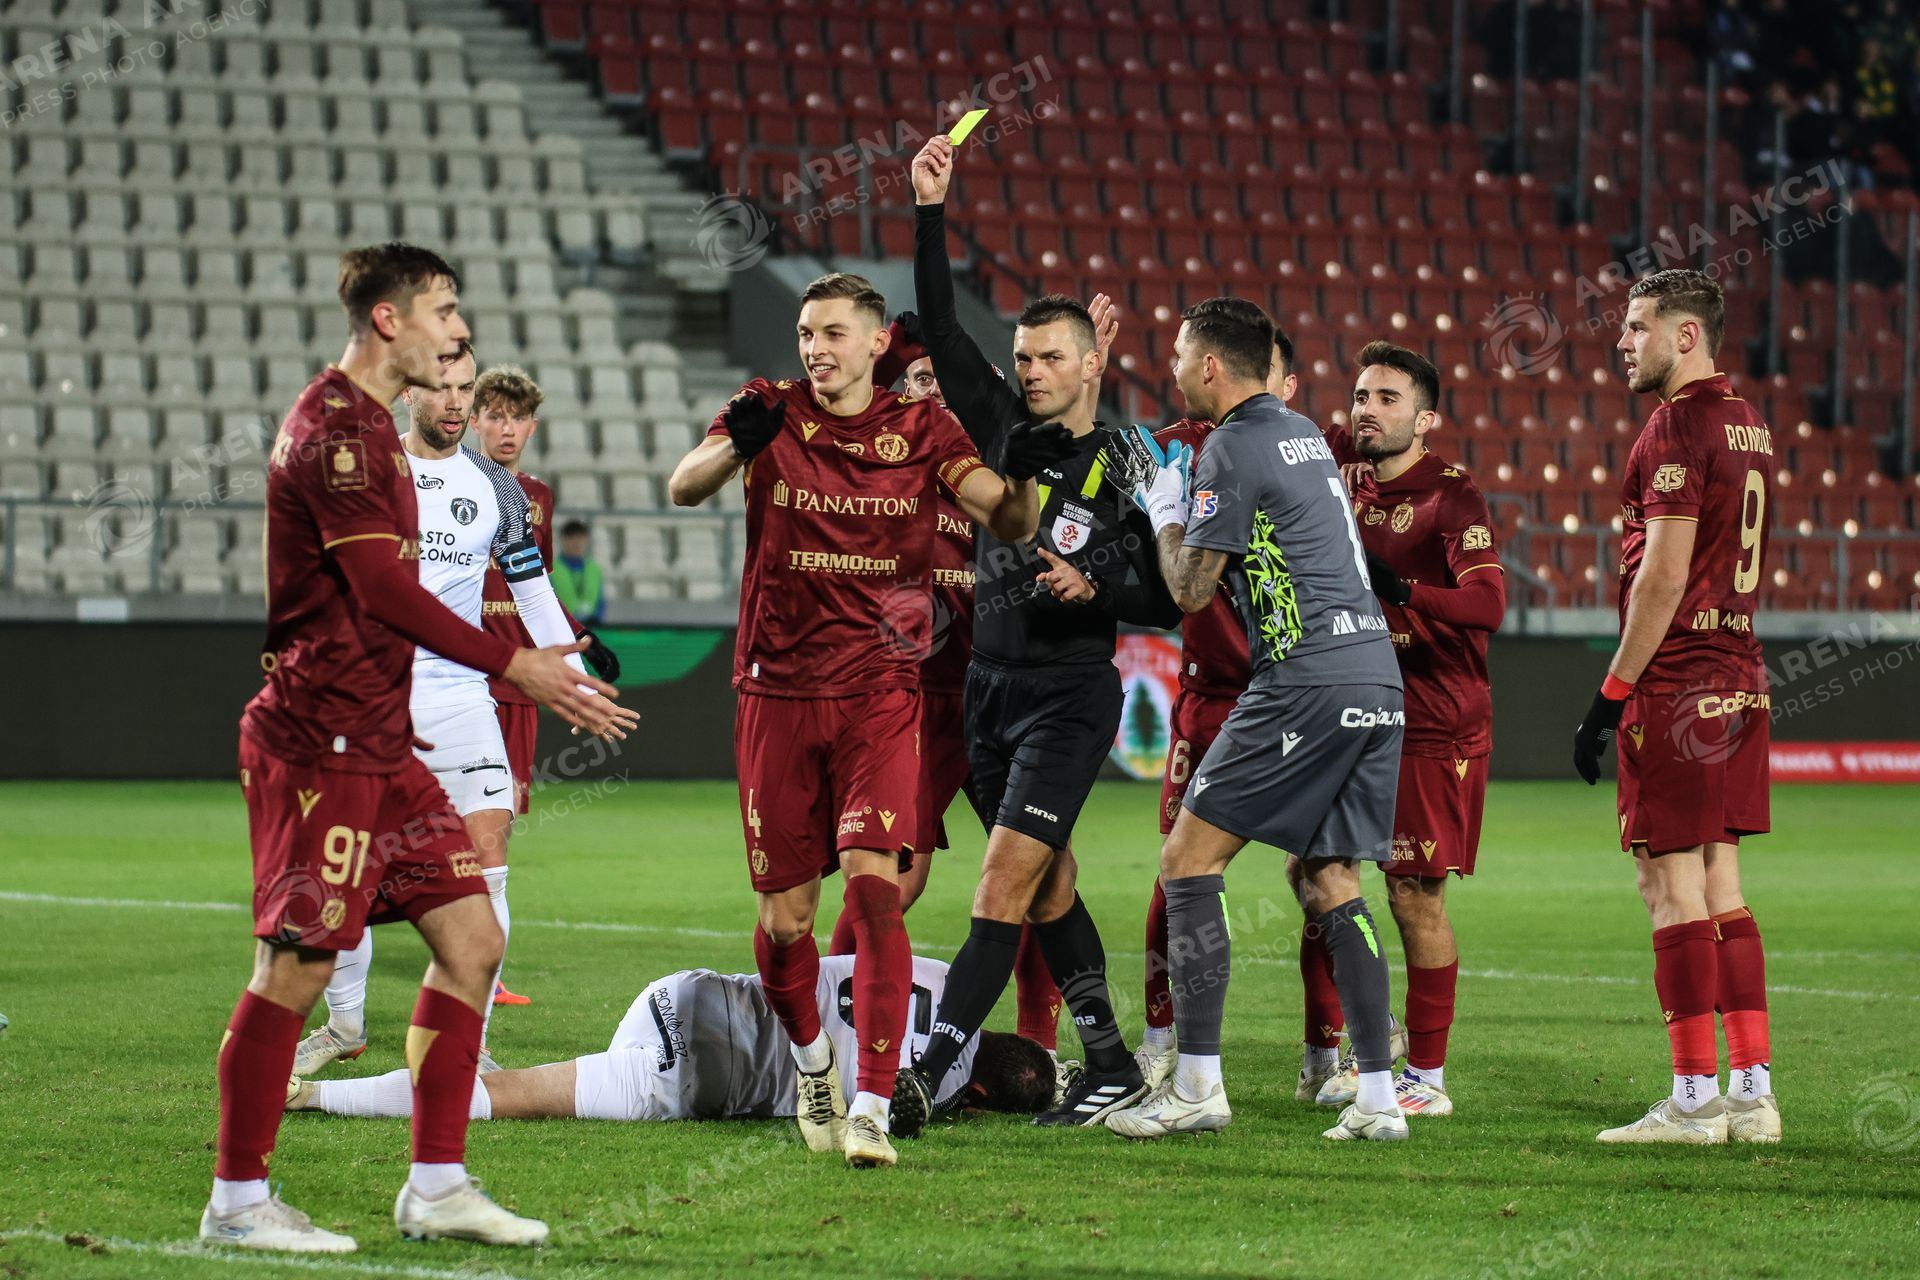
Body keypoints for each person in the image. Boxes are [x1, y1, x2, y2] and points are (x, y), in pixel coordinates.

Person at [208, 242, 627, 1253]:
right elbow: (384, 591)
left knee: (473, 940)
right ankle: (236, 1203)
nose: (458, 328)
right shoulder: (337, 432)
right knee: (296, 967)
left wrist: (547, 658)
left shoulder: (388, 435)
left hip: (382, 734)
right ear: (390, 320)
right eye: (443, 310)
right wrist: (517, 663)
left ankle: (437, 1185)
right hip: (320, 737)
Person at [668, 270, 1062, 1168]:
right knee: (786, 923)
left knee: (876, 886)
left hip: (882, 689)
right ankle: (814, 1066)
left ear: (877, 342)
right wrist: (734, 451)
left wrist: (1024, 476)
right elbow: (684, 485)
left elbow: (1005, 519)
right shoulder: (768, 407)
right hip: (775, 691)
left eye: (834, 333)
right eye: (808, 333)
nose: (816, 349)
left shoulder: (922, 429)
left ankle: (874, 1105)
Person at [890, 134, 1183, 1137]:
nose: (1032, 370)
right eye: (1023, 357)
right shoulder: (1002, 427)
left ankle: (925, 1076)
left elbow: (1170, 597)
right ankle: (1109, 1063)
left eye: (1052, 356)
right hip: (987, 692)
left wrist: (1096, 581)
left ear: (1093, 362)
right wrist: (930, 209)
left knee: (1002, 884)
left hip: (1068, 696)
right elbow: (938, 323)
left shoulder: (1135, 464)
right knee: (1049, 884)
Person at [1103, 297, 1407, 1143]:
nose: (1171, 369)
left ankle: (1197, 1085)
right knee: (1330, 879)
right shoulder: (1304, 432)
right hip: (1376, 679)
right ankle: (1379, 1098)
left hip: (1304, 679)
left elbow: (1190, 588)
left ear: (1209, 365)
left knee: (1187, 860)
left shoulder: (1231, 446)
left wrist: (1163, 503)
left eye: (1177, 354)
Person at [293, 344, 632, 1080]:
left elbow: (533, 592)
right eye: (440, 387)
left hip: (459, 698)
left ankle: (469, 1038)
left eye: (463, 389)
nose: (454, 401)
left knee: (487, 867)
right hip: (368, 698)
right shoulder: (366, 471)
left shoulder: (499, 490)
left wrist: (573, 681)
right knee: (343, 872)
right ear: (407, 393)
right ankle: (345, 1023)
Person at [1572, 268, 1779, 1145]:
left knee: (1668, 886)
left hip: (1680, 680)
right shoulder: (1750, 422)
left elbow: (1662, 575)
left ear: (1685, 335)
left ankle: (1694, 1103)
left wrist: (1609, 697)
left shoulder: (1675, 426)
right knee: (1721, 883)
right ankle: (1753, 1095)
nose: (1622, 342)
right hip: (1741, 674)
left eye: (1637, 326)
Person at [1304, 342, 1506, 1119]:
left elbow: (1488, 605)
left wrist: (1404, 590)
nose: (1367, 409)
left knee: (1413, 894)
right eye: (1361, 395)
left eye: (1388, 398)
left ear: (1425, 420)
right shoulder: (1344, 477)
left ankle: (1427, 1075)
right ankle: (1369, 1036)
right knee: (1318, 875)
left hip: (1431, 719)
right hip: (1352, 711)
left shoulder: (1453, 498)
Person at [288, 954, 1055, 1125]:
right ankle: (316, 1095)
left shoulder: (945, 974)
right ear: (980, 1092)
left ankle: (312, 1087)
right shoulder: (936, 1089)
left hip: (685, 994)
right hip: (700, 1073)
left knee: (517, 1085)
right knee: (511, 1095)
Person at [1135, 329, 1298, 1091]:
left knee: (1323, 872)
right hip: (1210, 699)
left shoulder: (1300, 448)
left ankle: (1330, 1055)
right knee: (1177, 873)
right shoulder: (1171, 447)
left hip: (1291, 690)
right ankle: (1159, 1040)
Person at [472, 364, 621, 830]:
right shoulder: (454, 485)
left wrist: (582, 637)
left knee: (501, 820)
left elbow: (538, 587)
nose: (507, 429)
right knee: (454, 819)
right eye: (495, 416)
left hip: (521, 682)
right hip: (467, 674)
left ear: (532, 427)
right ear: (474, 421)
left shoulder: (538, 496)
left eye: (518, 418)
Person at [552, 520, 605, 625]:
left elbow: (600, 603)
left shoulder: (595, 569)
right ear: (562, 540)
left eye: (580, 538)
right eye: (571, 538)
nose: (576, 543)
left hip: (592, 626)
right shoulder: (551, 570)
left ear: (586, 540)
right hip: (562, 626)